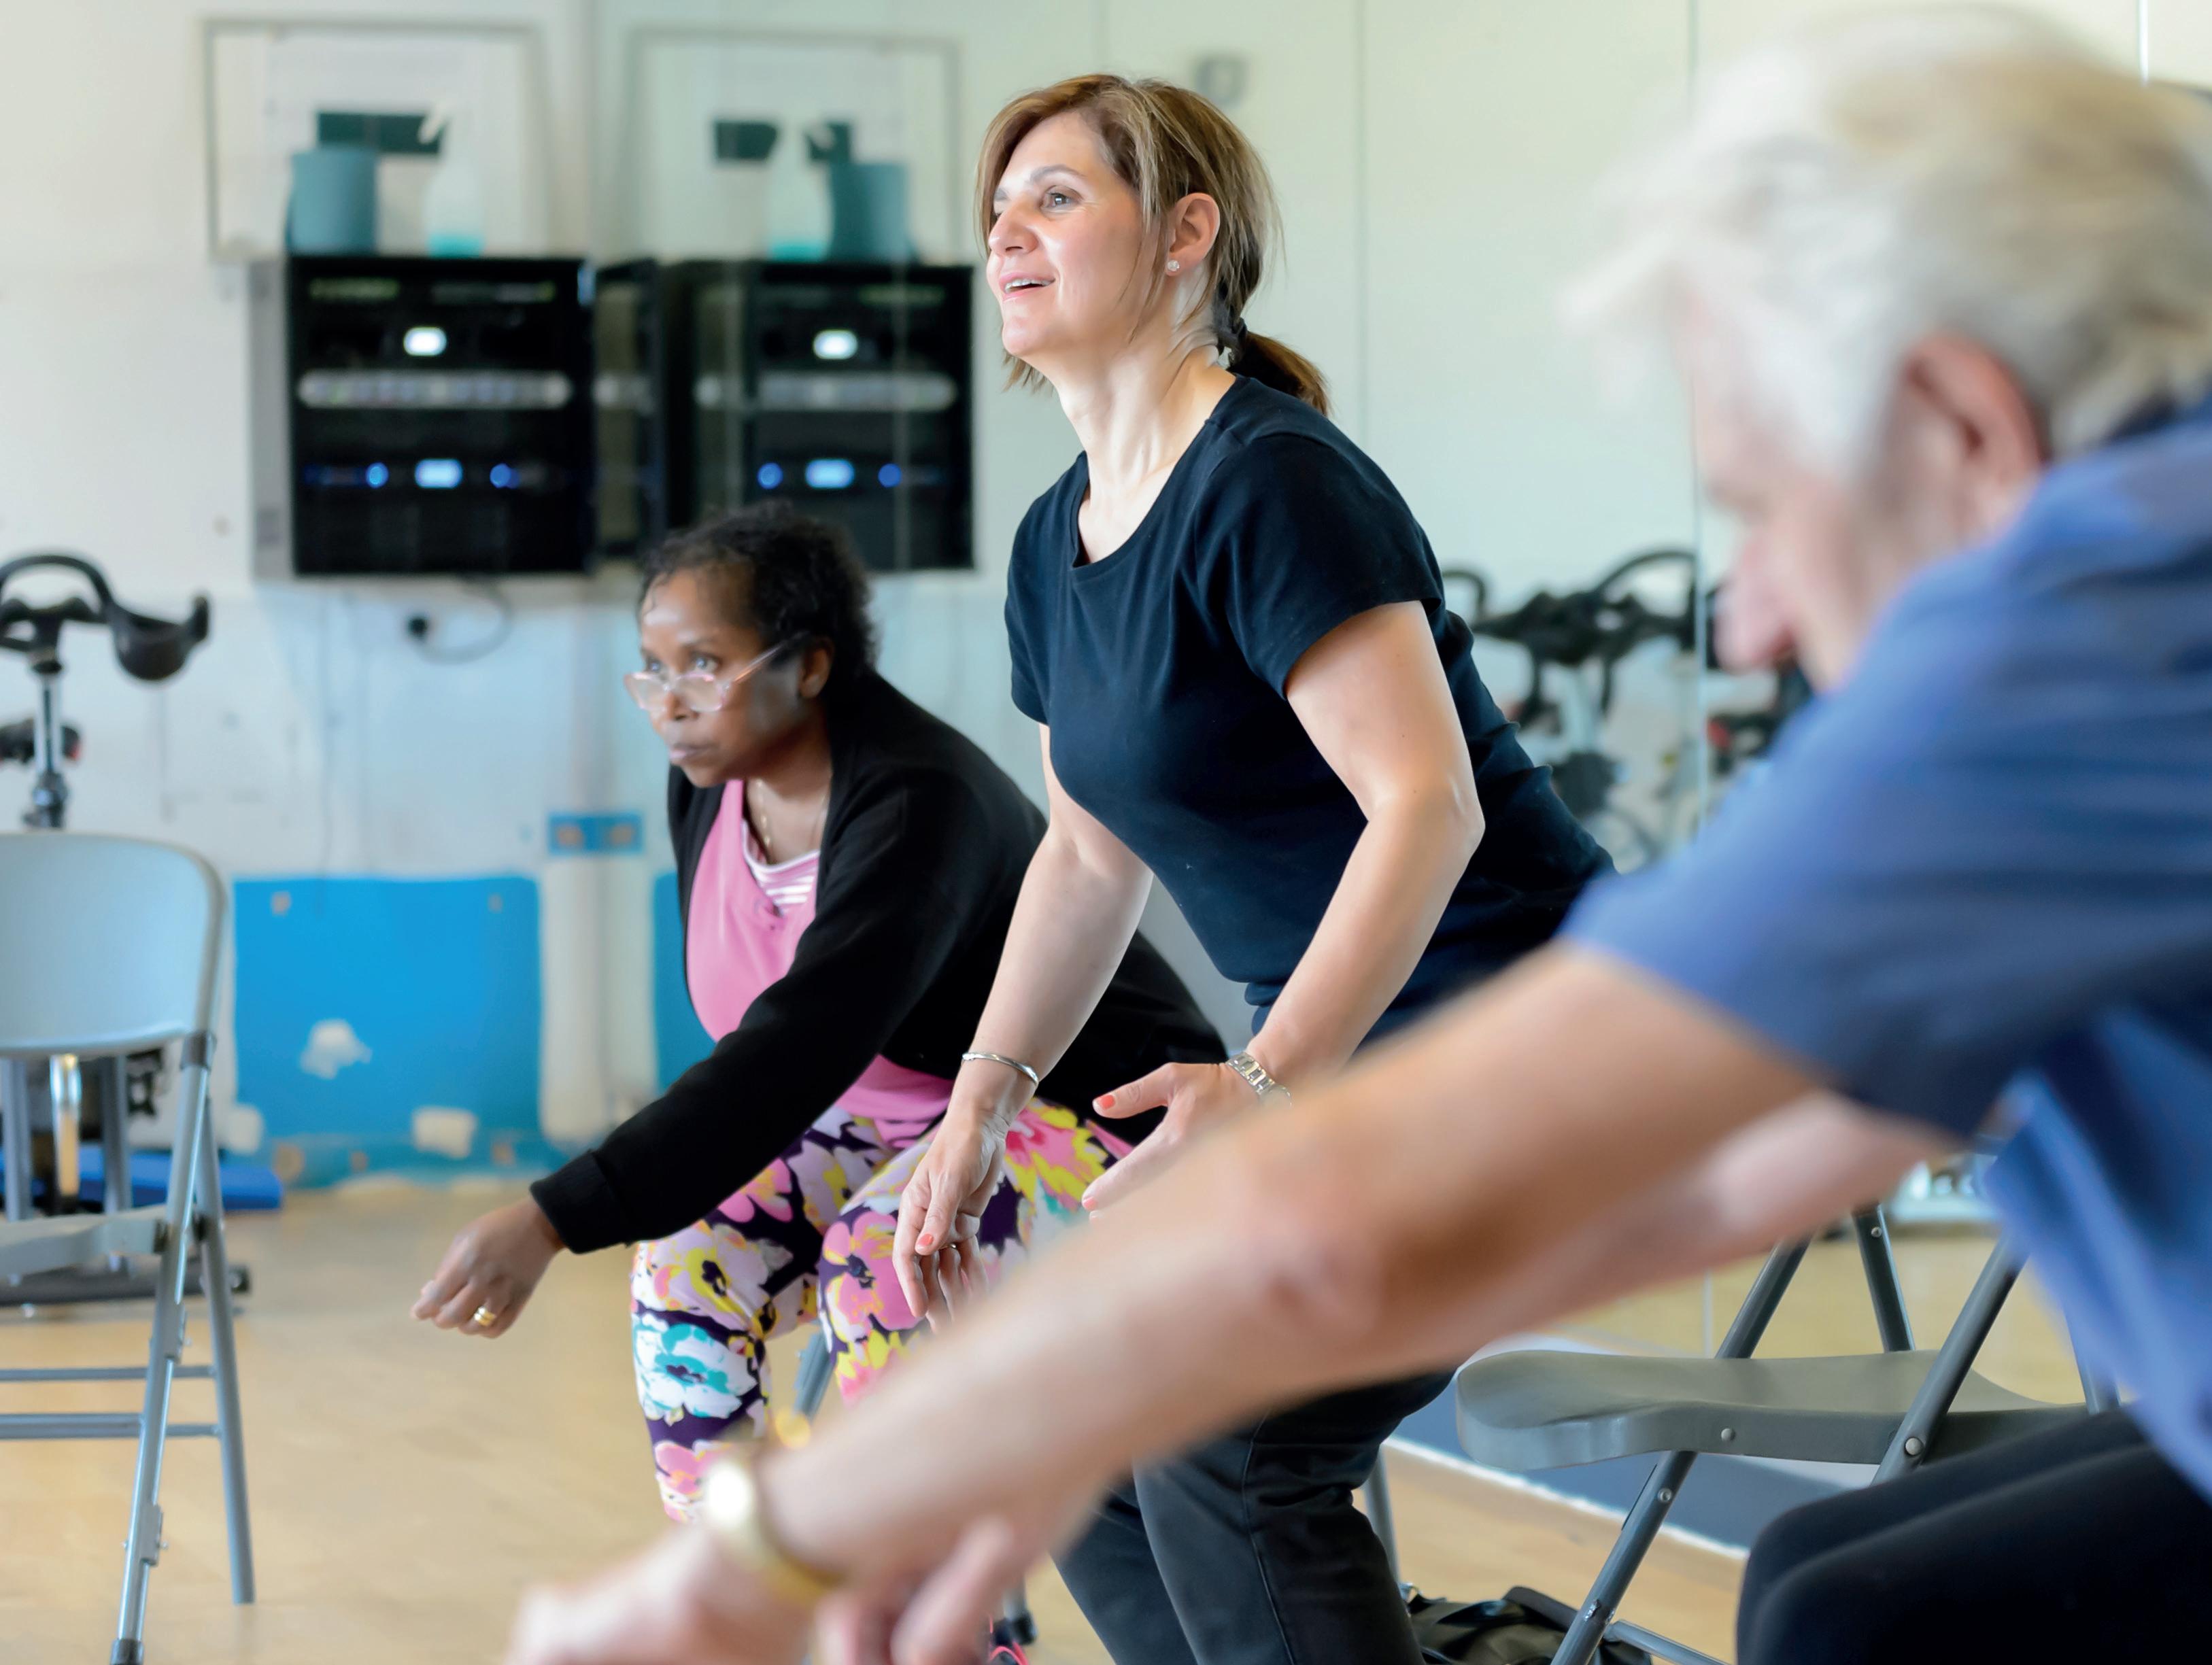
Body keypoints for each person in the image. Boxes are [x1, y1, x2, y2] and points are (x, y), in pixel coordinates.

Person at [503, 14, 2212, 1665]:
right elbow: (1736, 1162)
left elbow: (1405, 1106)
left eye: (1766, 507)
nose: (1749, 617)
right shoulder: (2130, 604)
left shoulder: (2094, 659)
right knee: (1841, 1595)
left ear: (1965, 424)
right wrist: (1045, 1236)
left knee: (1264, 1457)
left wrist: (788, 1539)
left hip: (1457, 1000)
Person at [872, 73, 1610, 1665]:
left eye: (1055, 197)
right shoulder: (1055, 540)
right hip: (1345, 1066)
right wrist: (982, 1100)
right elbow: (1086, 853)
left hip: (1519, 1032)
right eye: (996, 209)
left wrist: (1267, 1079)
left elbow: (1427, 806)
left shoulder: (1272, 479)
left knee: (1229, 1439)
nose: (1007, 233)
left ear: (1184, 233)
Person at [413, 504, 1220, 1519]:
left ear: (809, 666)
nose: (669, 704)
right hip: (891, 1126)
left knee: (887, 1262)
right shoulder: (711, 783)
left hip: (1093, 1123)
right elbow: (770, 1057)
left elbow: (793, 1049)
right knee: (686, 1261)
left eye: (704, 665)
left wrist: (553, 1216)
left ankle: (929, 1601)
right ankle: (736, 1584)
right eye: (652, 670)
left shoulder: (920, 801)